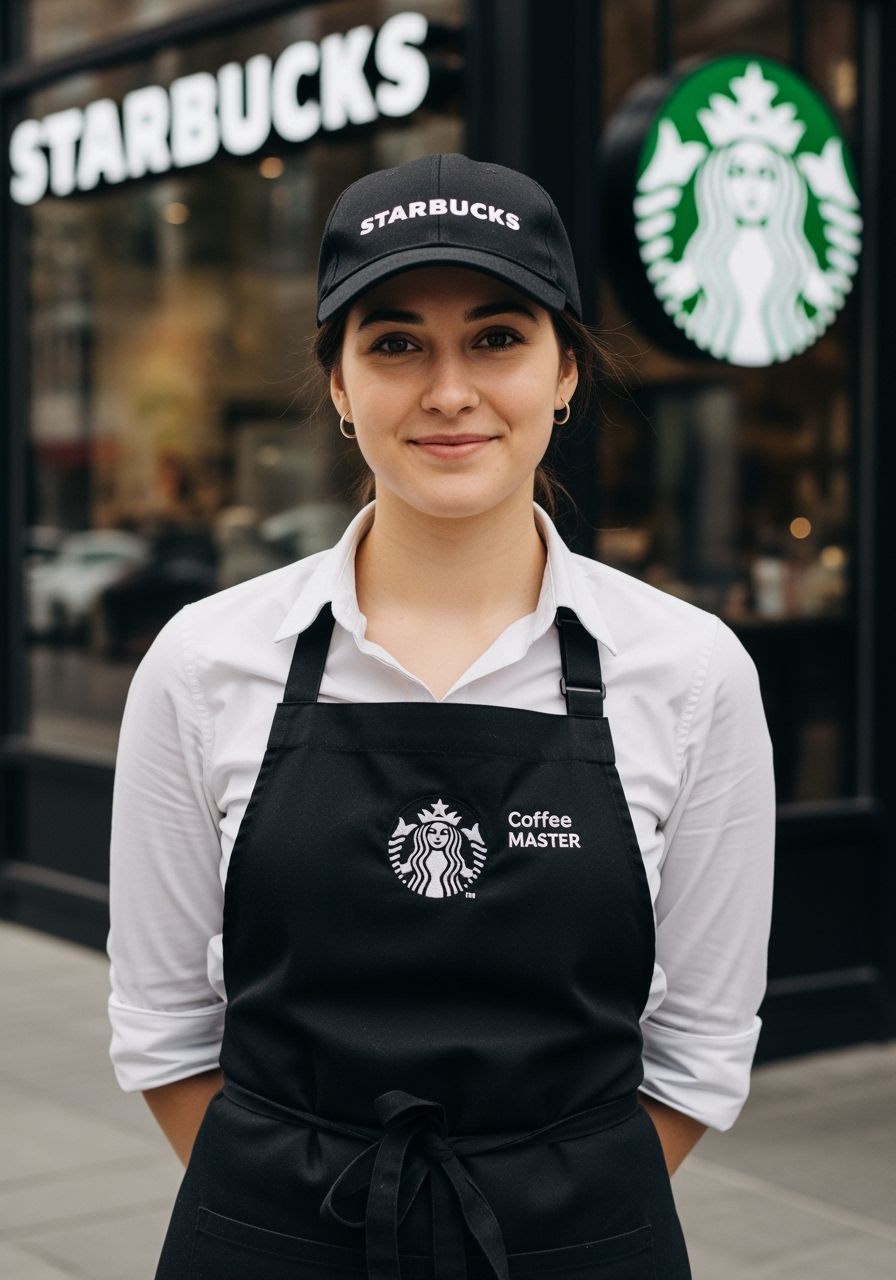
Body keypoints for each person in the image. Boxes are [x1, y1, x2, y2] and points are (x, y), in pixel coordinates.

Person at [106, 152, 776, 1280]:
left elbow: (701, 1045)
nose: (449, 390)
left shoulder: (690, 670)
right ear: (338, 385)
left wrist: (544, 1226)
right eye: (395, 343)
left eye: (497, 337)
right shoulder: (205, 660)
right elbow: (164, 1026)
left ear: (565, 372)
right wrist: (288, 1224)